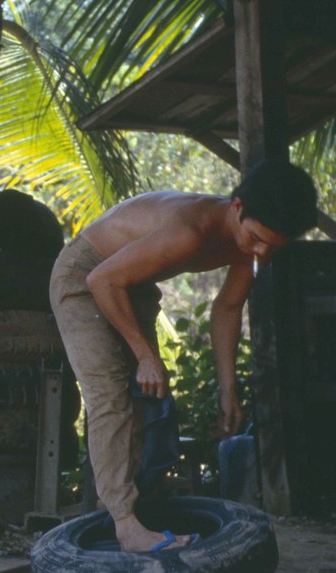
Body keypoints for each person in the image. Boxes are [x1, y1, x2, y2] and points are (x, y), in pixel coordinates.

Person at [50, 160, 319, 552]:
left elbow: (227, 309)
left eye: (274, 246)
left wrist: (228, 390)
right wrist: (144, 355)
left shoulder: (256, 242)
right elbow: (101, 280)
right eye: (259, 238)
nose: (262, 252)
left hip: (131, 281)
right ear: (238, 207)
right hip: (86, 277)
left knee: (149, 400)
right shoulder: (191, 231)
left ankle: (142, 507)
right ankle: (126, 525)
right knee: (110, 397)